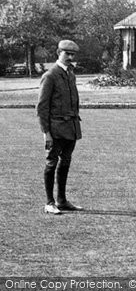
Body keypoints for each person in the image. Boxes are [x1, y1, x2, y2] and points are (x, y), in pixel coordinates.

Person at [36, 40, 84, 214]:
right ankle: (50, 202)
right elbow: (42, 107)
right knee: (51, 163)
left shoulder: (70, 74)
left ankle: (62, 200)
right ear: (58, 52)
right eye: (67, 54)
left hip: (71, 127)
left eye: (73, 55)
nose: (70, 57)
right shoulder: (50, 75)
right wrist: (46, 132)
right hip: (55, 129)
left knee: (65, 163)